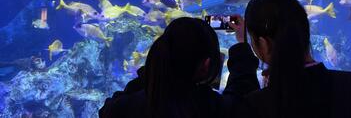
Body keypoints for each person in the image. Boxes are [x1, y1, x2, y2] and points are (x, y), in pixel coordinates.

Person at [230, 0, 351, 118]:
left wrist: (242, 47)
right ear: (305, 29)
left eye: (254, 41)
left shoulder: (255, 106)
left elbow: (238, 102)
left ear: (264, 44)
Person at [99, 17, 259, 118]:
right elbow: (242, 96)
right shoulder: (210, 108)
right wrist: (242, 45)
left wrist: (153, 73)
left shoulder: (123, 108)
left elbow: (112, 107)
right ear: (206, 66)